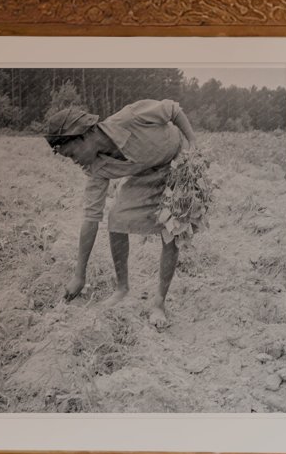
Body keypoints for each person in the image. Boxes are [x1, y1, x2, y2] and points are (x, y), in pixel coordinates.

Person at [40, 99, 197, 329]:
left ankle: (159, 303)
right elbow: (91, 218)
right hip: (146, 173)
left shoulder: (130, 117)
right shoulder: (94, 168)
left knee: (172, 227)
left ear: (84, 136)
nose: (75, 162)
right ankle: (122, 289)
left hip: (178, 161)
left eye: (72, 155)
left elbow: (173, 109)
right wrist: (79, 275)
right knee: (116, 218)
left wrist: (192, 144)